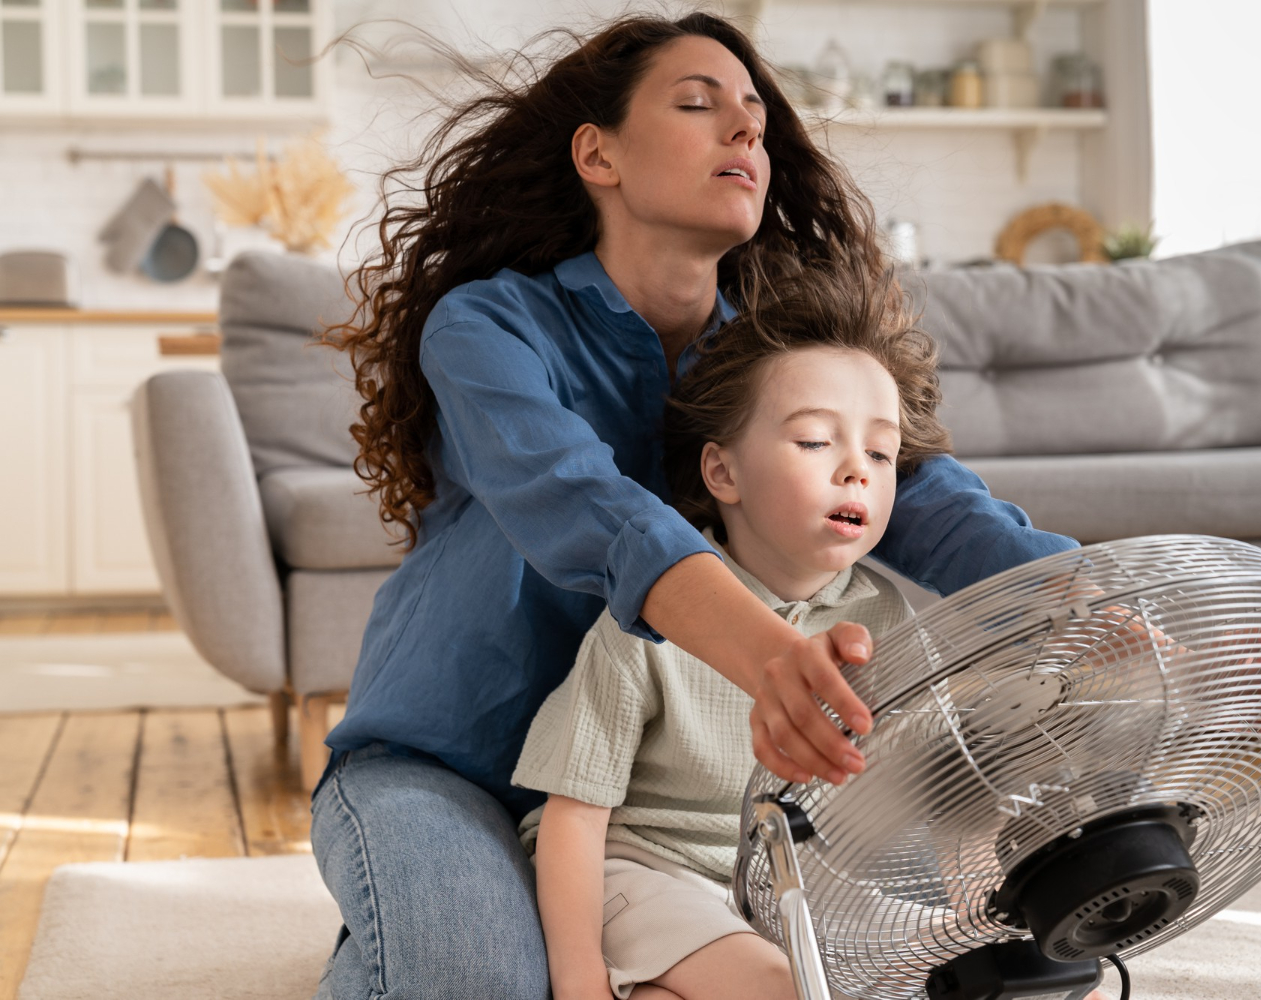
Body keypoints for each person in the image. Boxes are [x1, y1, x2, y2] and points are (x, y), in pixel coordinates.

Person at [314, 12, 1078, 999]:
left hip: (654, 823)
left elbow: (935, 502)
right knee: (479, 980)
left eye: (757, 115)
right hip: (443, 763)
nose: (745, 130)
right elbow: (587, 505)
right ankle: (410, 925)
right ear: (599, 154)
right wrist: (774, 660)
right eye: (697, 103)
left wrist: (1117, 607)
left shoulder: (775, 358)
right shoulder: (489, 325)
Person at [513, 259, 945, 1000]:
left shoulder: (884, 616)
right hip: (647, 872)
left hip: (796, 889)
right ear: (723, 473)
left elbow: (931, 795)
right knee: (784, 990)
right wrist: (578, 982)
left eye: (880, 452)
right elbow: (574, 817)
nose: (857, 473)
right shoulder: (656, 614)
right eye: (816, 441)